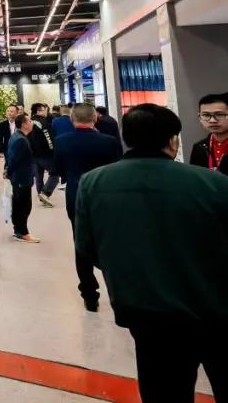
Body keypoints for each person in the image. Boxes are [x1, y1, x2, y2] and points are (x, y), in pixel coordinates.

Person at [75, 104, 228, 402]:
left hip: (145, 312)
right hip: (215, 308)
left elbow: (87, 247)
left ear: (126, 138)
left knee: (163, 391)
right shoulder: (214, 183)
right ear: (172, 140)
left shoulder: (93, 182)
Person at [53, 103, 122, 311]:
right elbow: (117, 169)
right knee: (110, 243)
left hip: (76, 196)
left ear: (71, 119)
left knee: (81, 243)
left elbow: (58, 170)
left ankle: (89, 295)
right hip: (105, 197)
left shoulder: (62, 141)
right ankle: (118, 292)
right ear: (95, 118)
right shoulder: (109, 142)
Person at [5, 114, 39, 243]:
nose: (32, 123)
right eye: (29, 121)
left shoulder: (17, 136)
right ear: (24, 124)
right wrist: (8, 171)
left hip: (19, 177)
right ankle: (22, 232)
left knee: (19, 204)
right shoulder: (21, 140)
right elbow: (14, 160)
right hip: (21, 178)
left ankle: (18, 230)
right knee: (24, 206)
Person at [189, 92, 228, 174]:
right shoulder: (199, 147)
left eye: (219, 114)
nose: (212, 120)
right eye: (206, 115)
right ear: (199, 118)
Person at [29, 103, 58, 206]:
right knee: (55, 174)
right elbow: (48, 138)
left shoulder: (29, 121)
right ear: (39, 111)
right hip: (45, 154)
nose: (46, 111)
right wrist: (53, 150)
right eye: (44, 109)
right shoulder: (43, 122)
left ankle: (41, 195)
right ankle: (45, 193)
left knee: (39, 176)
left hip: (33, 154)